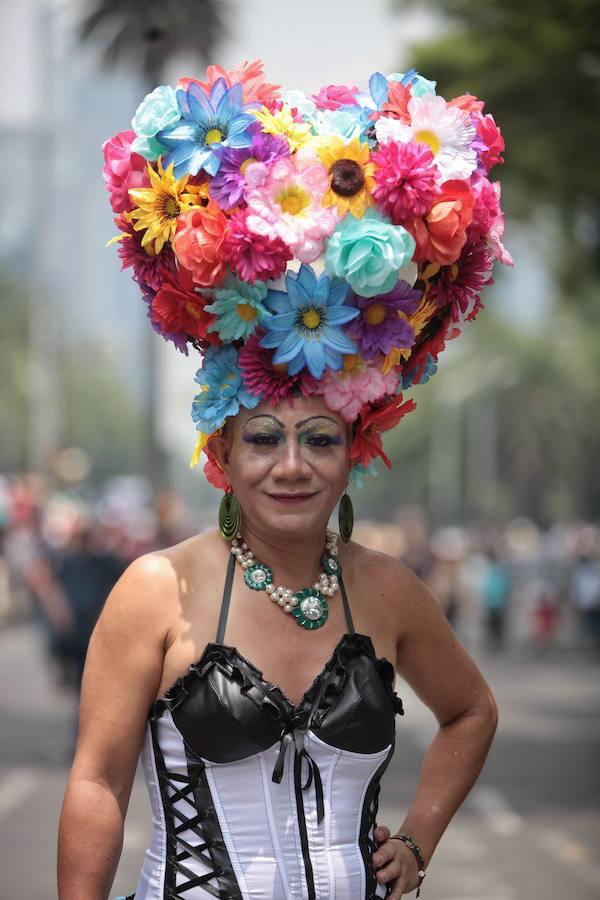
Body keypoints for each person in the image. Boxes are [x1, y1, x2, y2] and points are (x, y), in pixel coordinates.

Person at [58, 59, 510, 899]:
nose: (292, 464)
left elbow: (471, 712)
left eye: (320, 440)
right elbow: (97, 784)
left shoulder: (390, 592)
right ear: (222, 457)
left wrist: (416, 841)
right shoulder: (155, 591)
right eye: (263, 438)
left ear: (354, 452)